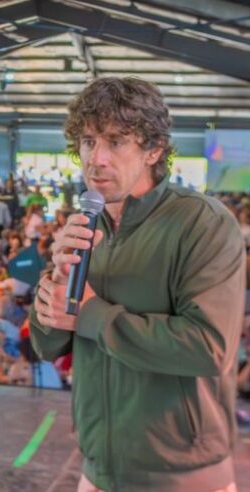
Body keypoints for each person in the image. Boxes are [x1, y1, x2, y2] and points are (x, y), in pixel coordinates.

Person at [30, 77, 244, 492]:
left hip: (182, 474)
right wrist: (56, 277)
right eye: (88, 141)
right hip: (97, 468)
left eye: (115, 141)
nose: (97, 158)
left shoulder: (202, 223)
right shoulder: (88, 226)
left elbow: (209, 347)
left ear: (153, 149)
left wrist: (90, 314)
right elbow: (47, 345)